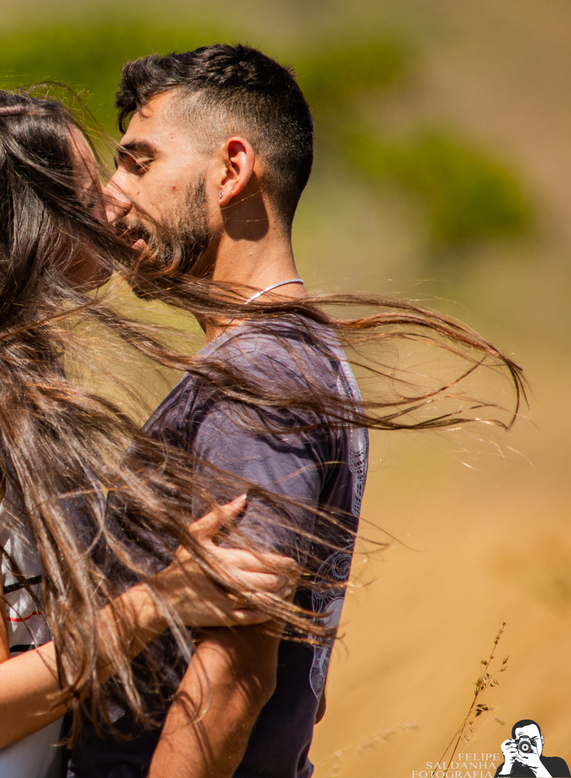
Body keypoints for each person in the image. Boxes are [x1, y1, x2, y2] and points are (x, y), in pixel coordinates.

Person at [69, 43, 525, 778]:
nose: (114, 195)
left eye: (139, 163)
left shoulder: (262, 373)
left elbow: (233, 679)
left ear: (232, 169)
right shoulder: (283, 355)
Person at [0, 85, 301, 778]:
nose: (114, 206)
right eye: (88, 193)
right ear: (27, 223)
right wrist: (161, 599)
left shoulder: (16, 394)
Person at [497, 720, 570, 777]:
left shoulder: (557, 764)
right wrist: (507, 766)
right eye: (522, 741)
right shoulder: (506, 769)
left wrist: (537, 767)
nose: (528, 745)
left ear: (542, 741)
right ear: (514, 743)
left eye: (533, 739)